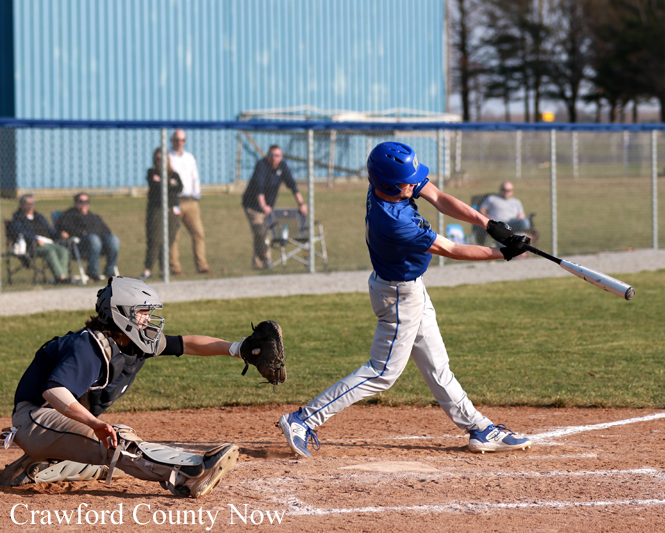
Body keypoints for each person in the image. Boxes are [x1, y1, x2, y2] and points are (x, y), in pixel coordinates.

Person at [278, 141, 532, 457]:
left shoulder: (388, 185)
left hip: (409, 289)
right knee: (382, 373)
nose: (414, 184)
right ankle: (303, 419)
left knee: (437, 366)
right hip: (398, 297)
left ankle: (480, 429)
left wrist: (489, 224)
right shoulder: (394, 222)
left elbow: (440, 198)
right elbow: (452, 249)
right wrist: (503, 252)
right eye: (407, 182)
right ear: (389, 184)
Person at [0, 276, 249, 497]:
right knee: (118, 440)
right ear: (121, 313)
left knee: (117, 464)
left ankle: (37, 467)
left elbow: (188, 344)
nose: (148, 319)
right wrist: (94, 424)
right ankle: (191, 473)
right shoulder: (89, 347)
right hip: (35, 419)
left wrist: (238, 349)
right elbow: (55, 391)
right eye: (142, 312)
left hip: (55, 424)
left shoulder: (132, 343)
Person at [241, 145, 308, 269]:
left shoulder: (282, 167)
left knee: (263, 233)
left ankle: (259, 263)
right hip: (253, 206)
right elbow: (259, 188)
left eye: (277, 156)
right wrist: (263, 206)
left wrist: (301, 204)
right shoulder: (261, 166)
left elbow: (293, 186)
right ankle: (265, 260)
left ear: (281, 157)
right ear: (268, 155)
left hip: (267, 208)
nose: (274, 158)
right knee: (260, 232)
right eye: (271, 155)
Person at [169, 129, 211, 275]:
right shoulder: (168, 157)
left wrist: (196, 194)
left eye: (182, 140)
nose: (179, 143)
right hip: (175, 201)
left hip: (190, 201)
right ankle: (174, 268)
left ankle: (202, 266)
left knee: (198, 233)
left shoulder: (189, 158)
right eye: (176, 140)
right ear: (172, 140)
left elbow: (195, 177)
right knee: (174, 236)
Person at [56, 192, 120, 282]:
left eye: (86, 201)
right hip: (81, 246)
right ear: (76, 203)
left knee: (113, 239)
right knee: (94, 239)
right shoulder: (68, 216)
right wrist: (83, 233)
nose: (84, 204)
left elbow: (106, 231)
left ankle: (109, 271)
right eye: (81, 201)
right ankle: (92, 272)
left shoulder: (94, 217)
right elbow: (65, 230)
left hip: (100, 245)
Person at [141, 147, 183, 280]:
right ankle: (148, 269)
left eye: (163, 158)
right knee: (154, 239)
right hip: (157, 208)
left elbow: (179, 187)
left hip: (172, 209)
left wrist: (163, 182)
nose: (160, 161)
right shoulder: (151, 172)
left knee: (169, 239)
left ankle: (163, 269)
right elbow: (155, 186)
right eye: (158, 158)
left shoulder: (174, 174)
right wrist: (169, 184)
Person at [9, 195, 70, 284]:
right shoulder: (18, 219)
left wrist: (60, 234)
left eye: (32, 203)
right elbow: (20, 233)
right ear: (22, 205)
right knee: (50, 252)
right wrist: (34, 239)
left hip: (47, 242)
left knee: (63, 251)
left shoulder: (39, 217)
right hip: (32, 245)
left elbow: (50, 230)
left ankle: (64, 276)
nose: (31, 206)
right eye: (28, 204)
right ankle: (60, 277)